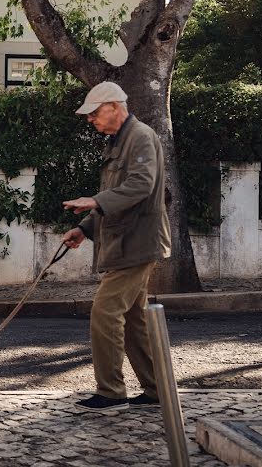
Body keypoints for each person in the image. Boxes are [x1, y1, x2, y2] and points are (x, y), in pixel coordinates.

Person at [61, 81, 169, 413]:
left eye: (94, 113)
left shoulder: (139, 137)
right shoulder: (119, 141)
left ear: (114, 107)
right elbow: (115, 198)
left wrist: (94, 201)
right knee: (134, 319)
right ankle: (155, 389)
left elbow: (140, 185)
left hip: (138, 244)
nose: (91, 120)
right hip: (126, 242)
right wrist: (84, 228)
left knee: (105, 312)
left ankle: (110, 391)